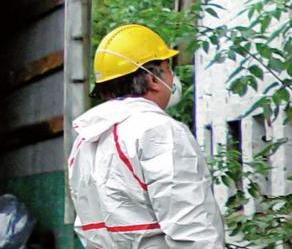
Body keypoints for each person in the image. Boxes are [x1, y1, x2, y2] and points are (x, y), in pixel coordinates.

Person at [68, 23, 225, 248]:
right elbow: (192, 228)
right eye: (169, 69)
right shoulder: (158, 131)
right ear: (153, 79)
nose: (172, 79)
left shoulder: (84, 140)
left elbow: (89, 227)